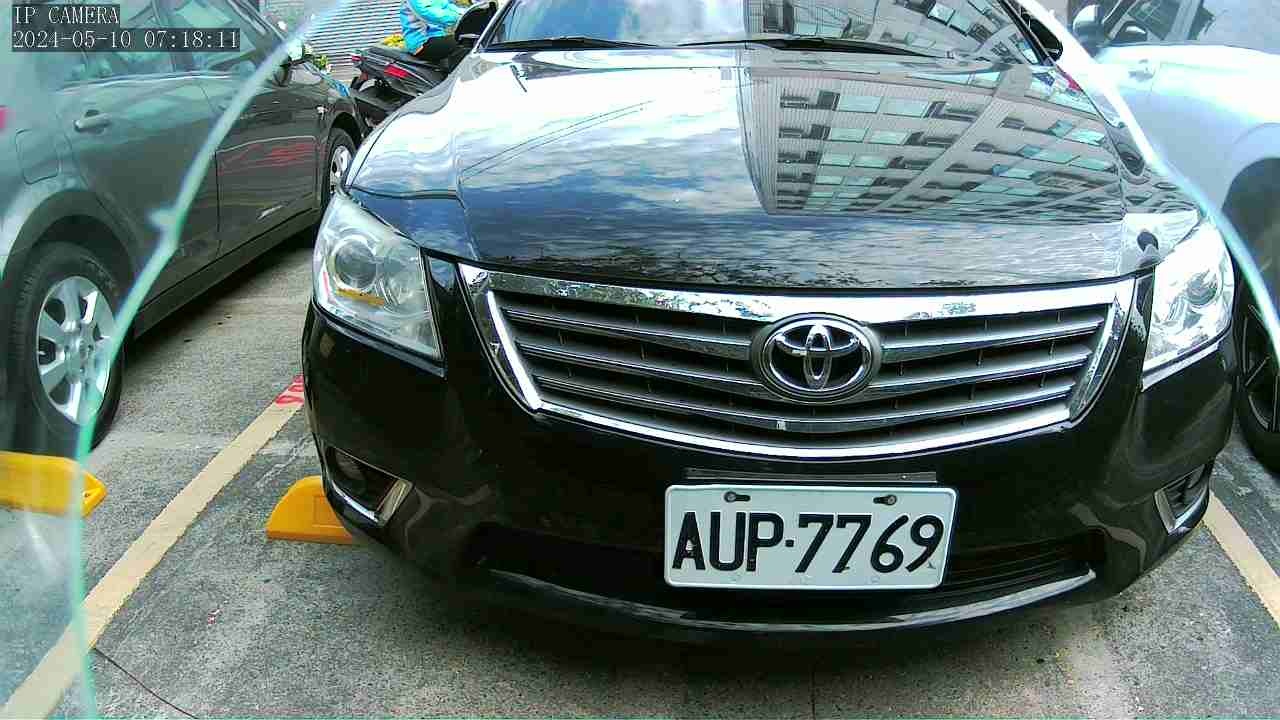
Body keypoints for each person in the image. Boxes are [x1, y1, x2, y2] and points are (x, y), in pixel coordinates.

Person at [399, 0, 469, 63]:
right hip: (422, 41)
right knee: (463, 45)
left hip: (439, 36)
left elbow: (449, 6)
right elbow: (427, 13)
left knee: (470, 41)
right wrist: (458, 16)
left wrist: (468, 12)